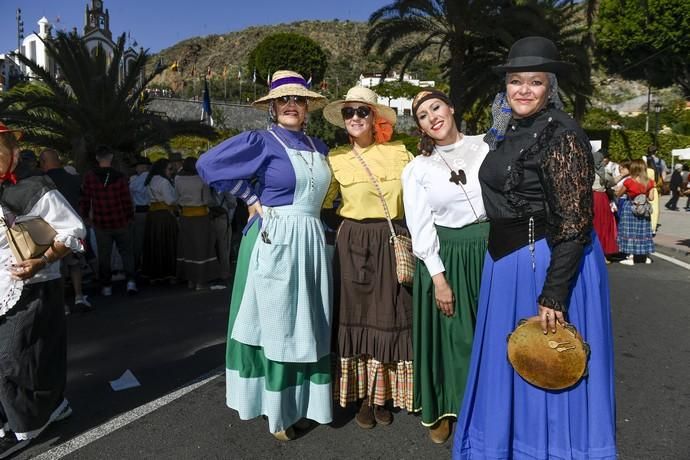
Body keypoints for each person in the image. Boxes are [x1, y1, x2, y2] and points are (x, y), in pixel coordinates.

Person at [453, 37, 616, 459]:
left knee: (547, 361)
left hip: (544, 260)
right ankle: (505, 444)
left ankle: (546, 450)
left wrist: (553, 294)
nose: (523, 90)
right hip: (507, 260)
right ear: (505, 86)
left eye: (535, 82)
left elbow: (575, 223)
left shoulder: (561, 134)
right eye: (515, 81)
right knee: (514, 362)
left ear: (550, 87)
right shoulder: (512, 129)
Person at [197, 70, 333, 440]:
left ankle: (303, 403)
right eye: (283, 100)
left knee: (307, 323)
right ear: (272, 107)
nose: (292, 105)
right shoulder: (261, 140)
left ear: (307, 108)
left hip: (310, 240)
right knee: (276, 324)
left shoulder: (319, 146)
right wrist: (251, 197)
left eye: (299, 99)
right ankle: (277, 412)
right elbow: (208, 166)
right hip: (275, 237)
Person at [322, 86, 414, 429]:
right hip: (353, 240)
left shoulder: (401, 153)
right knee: (355, 316)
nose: (356, 118)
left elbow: (421, 196)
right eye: (349, 113)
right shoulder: (336, 158)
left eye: (362, 111)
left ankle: (382, 397)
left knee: (390, 314)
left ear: (375, 117)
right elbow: (317, 199)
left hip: (391, 239)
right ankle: (361, 397)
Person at [401, 89, 489, 443]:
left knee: (490, 333)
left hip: (490, 249)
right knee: (452, 337)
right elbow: (420, 226)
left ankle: (487, 406)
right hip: (447, 255)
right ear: (420, 126)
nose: (432, 117)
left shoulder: (486, 147)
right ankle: (446, 407)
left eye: (436, 107)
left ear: (451, 108)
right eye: (423, 115)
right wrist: (439, 278)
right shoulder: (418, 168)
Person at [0, 122, 85, 457]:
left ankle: (27, 425)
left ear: (12, 151)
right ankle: (18, 415)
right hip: (5, 286)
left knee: (18, 360)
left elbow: (74, 229)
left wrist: (41, 261)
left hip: (32, 286)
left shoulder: (34, 186)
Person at [79, 145, 137, 296]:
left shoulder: (90, 177)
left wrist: (85, 216)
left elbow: (85, 199)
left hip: (101, 222)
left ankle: (107, 286)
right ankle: (131, 282)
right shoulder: (120, 176)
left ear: (97, 158)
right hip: (121, 221)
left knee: (104, 255)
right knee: (127, 253)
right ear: (111, 157)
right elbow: (126, 200)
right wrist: (130, 217)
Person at [38, 148, 92, 312]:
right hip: (73, 229)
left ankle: (62, 304)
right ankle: (79, 297)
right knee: (74, 265)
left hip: (50, 232)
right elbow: (84, 200)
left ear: (43, 163)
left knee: (58, 270)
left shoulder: (41, 181)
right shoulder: (74, 179)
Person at [174, 157, 220, 289]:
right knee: (202, 248)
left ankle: (190, 280)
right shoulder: (202, 179)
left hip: (185, 217)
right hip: (201, 217)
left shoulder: (177, 179)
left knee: (187, 248)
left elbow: (176, 197)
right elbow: (207, 199)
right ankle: (200, 281)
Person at [143, 158, 178, 284]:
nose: (171, 171)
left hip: (152, 216)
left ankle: (155, 274)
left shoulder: (150, 180)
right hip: (165, 215)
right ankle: (170, 274)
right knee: (168, 244)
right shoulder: (164, 182)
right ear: (162, 169)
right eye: (169, 169)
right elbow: (170, 201)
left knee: (155, 245)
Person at [617, 158, 655, 265]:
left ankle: (630, 257)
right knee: (642, 231)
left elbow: (619, 194)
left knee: (629, 231)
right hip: (644, 209)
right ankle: (644, 257)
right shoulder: (650, 182)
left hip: (630, 207)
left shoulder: (629, 181)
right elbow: (651, 198)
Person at [591, 148, 618, 258]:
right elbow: (611, 182)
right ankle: (604, 249)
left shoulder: (586, 170)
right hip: (601, 198)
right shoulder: (604, 172)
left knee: (593, 223)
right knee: (603, 223)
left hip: (590, 197)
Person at [129, 156, 151, 273]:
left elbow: (132, 188)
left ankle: (138, 265)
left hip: (141, 211)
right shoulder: (136, 178)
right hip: (144, 211)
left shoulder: (143, 177)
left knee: (139, 241)